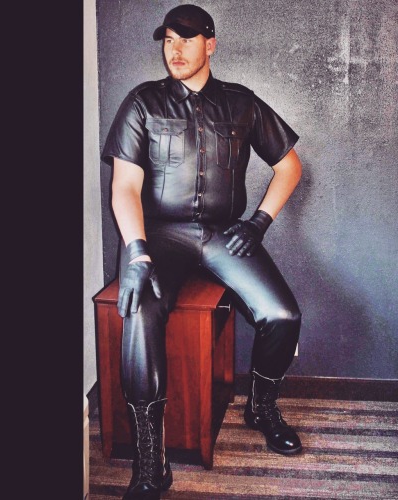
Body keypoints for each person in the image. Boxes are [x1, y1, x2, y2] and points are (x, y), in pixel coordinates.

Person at [101, 4, 303, 499]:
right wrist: (136, 252)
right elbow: (124, 187)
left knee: (282, 314)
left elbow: (290, 166)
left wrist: (258, 223)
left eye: (186, 39)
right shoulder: (143, 103)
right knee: (139, 311)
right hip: (159, 235)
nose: (175, 49)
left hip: (222, 233)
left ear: (210, 45)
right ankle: (151, 463)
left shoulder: (242, 103)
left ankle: (261, 407)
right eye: (168, 39)